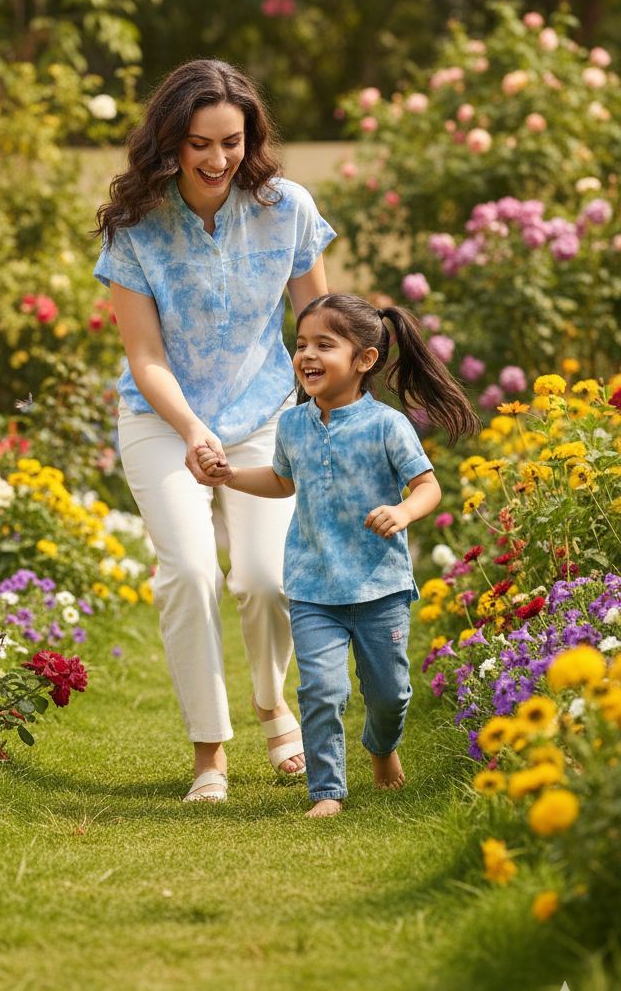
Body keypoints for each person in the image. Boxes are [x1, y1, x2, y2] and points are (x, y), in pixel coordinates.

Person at [93, 59, 335, 802]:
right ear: (171, 141)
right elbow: (144, 354)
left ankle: (270, 702)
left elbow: (317, 328)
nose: (216, 159)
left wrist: (334, 416)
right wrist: (195, 429)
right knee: (191, 572)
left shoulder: (288, 206)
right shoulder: (137, 226)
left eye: (231, 141)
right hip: (162, 420)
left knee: (265, 580)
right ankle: (210, 754)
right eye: (199, 143)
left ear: (250, 137)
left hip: (264, 414)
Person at [197, 292, 479, 816]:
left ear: (364, 360)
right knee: (322, 691)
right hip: (312, 586)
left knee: (390, 694)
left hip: (380, 587)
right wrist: (231, 474)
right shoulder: (292, 425)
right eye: (301, 343)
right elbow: (283, 481)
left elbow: (427, 487)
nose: (306, 355)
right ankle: (327, 791)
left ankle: (381, 747)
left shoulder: (388, 425)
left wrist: (405, 513)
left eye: (324, 344)